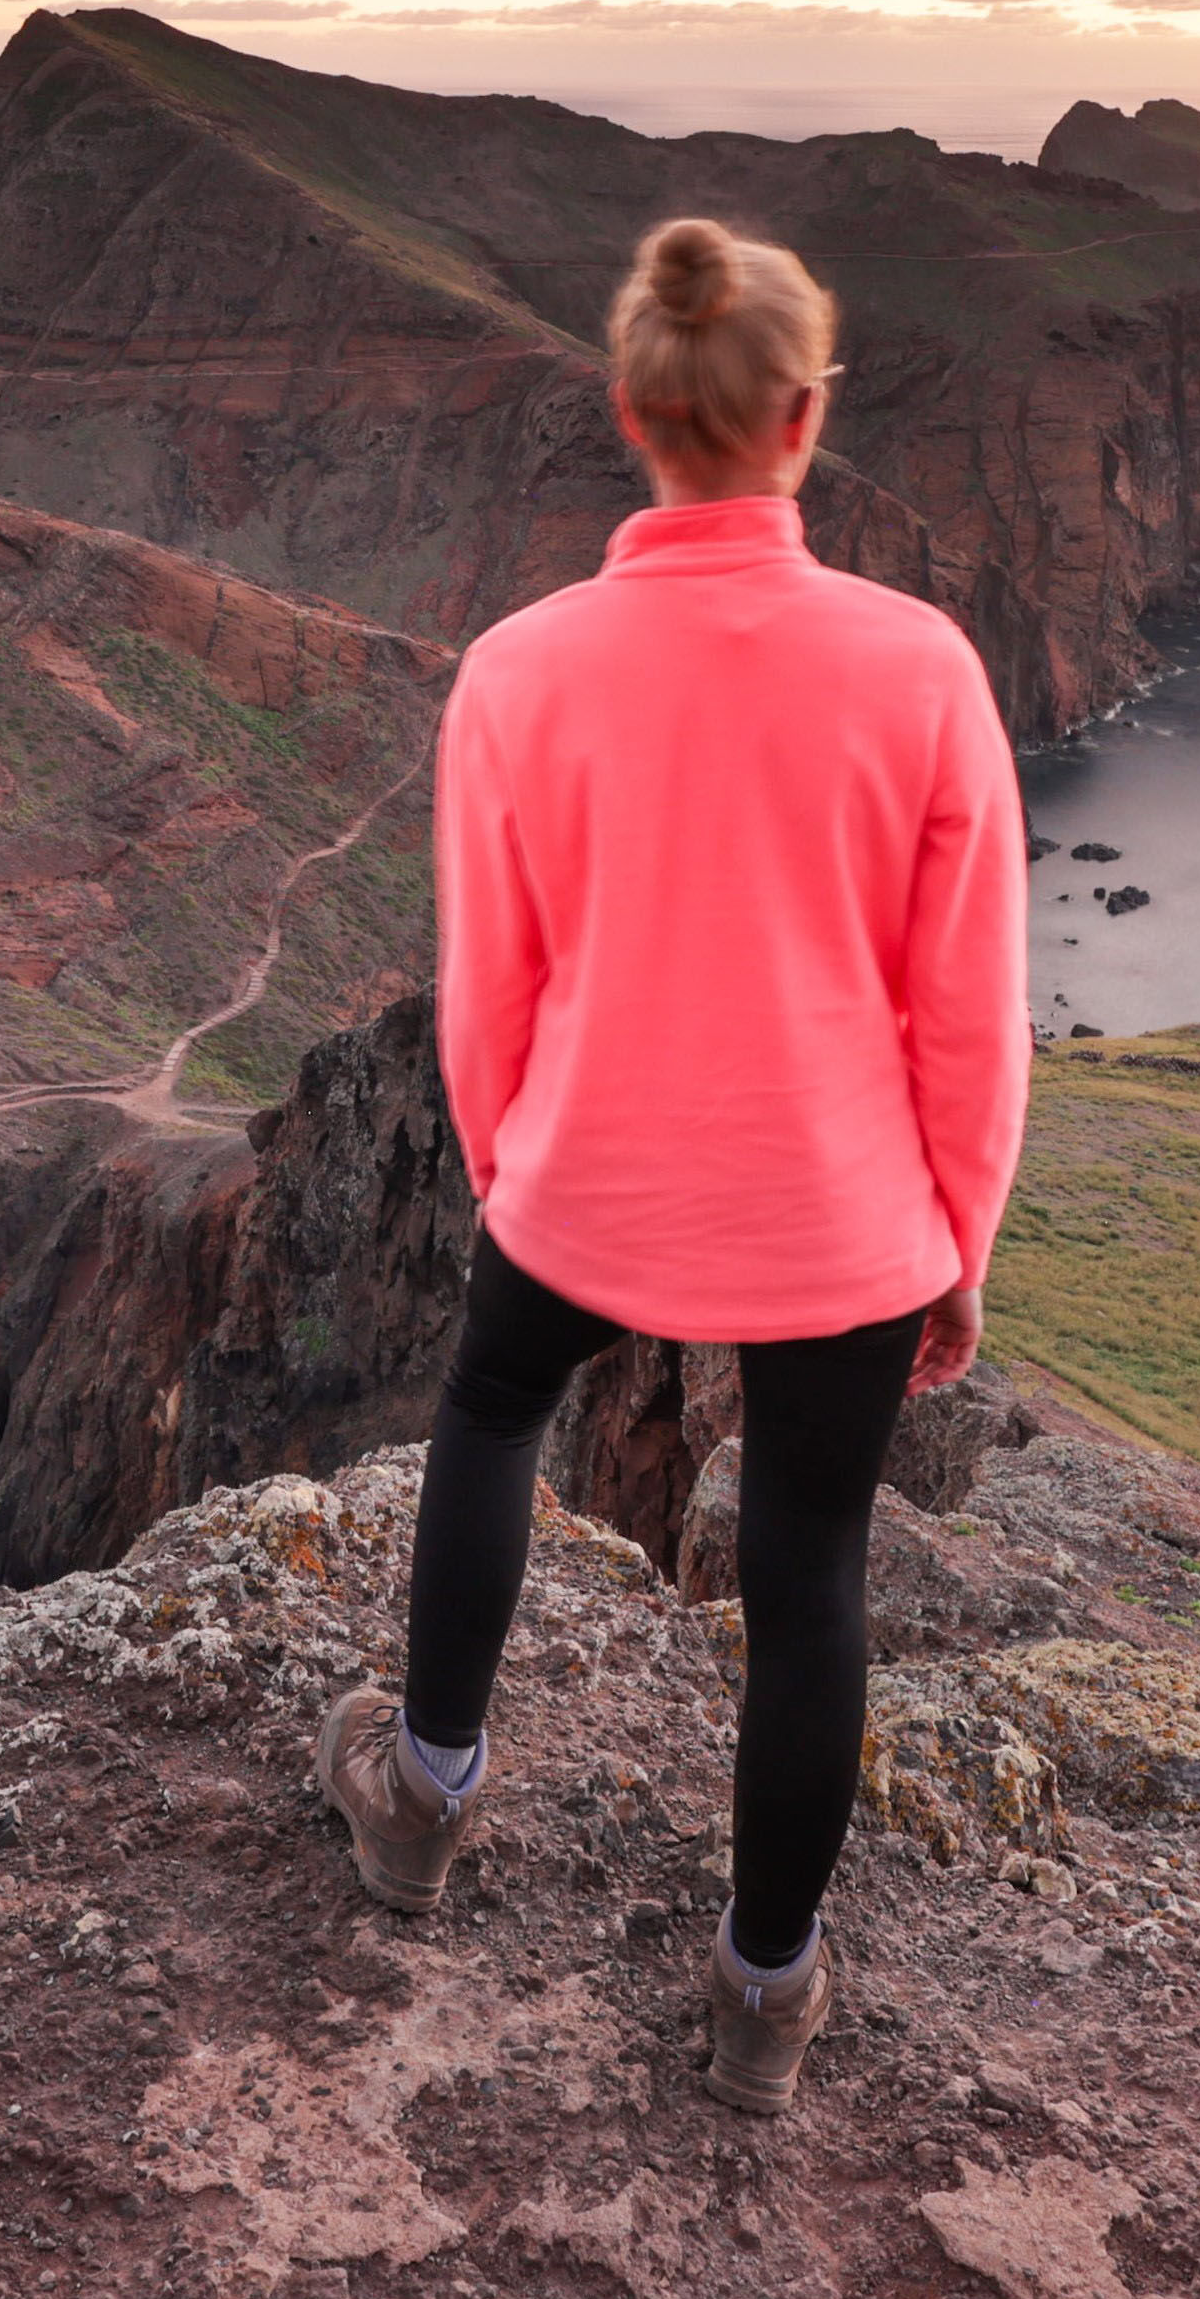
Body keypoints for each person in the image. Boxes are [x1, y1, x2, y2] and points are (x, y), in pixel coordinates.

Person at [317, 213, 1030, 2117]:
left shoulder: (522, 669)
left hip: (585, 1188)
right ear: (804, 416)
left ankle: (424, 1798)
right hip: (846, 1221)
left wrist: (513, 1171)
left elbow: (494, 983)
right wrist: (953, 1238)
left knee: (489, 1411)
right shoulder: (921, 665)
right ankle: (761, 2002)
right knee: (809, 1569)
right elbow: (963, 1011)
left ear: (631, 411)